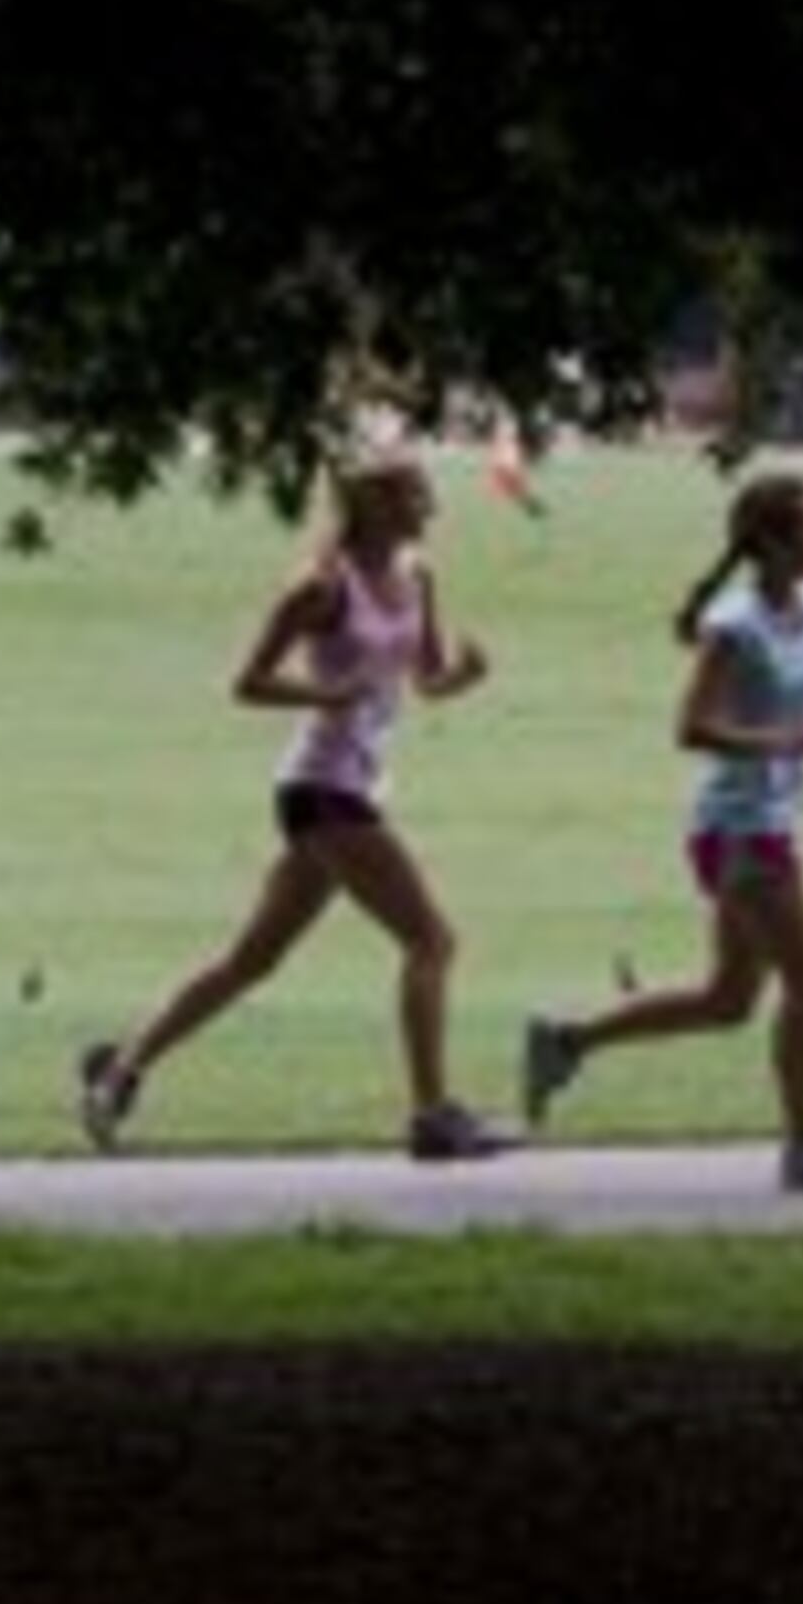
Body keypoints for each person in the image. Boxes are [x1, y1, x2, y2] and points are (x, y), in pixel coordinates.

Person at [77, 431, 513, 1161]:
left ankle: (119, 1071)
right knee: (431, 942)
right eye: (416, 495)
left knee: (252, 960)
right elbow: (248, 682)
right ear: (374, 504)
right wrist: (326, 693)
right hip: (321, 788)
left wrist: (465, 675)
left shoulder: (418, 575)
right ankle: (432, 1117)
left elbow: (426, 677)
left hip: (355, 786)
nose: (430, 508)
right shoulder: (322, 587)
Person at [517, 471, 803, 1192]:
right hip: (740, 830)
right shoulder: (735, 625)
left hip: (773, 819)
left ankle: (566, 1039)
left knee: (728, 1000)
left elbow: (788, 707)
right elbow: (691, 728)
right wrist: (797, 740)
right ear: (770, 543)